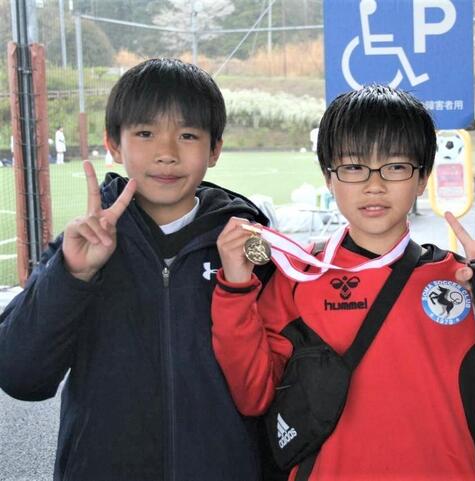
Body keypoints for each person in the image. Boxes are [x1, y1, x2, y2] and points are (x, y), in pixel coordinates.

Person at [210, 85, 475, 480]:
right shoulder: (299, 276)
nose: (374, 185)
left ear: (422, 179)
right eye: (354, 167)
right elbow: (253, 395)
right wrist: (235, 288)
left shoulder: (461, 280)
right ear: (328, 178)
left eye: (395, 167)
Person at [0, 58, 272, 481]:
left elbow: (273, 383)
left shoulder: (247, 246)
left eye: (187, 135)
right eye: (145, 133)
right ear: (113, 144)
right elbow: (20, 375)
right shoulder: (80, 249)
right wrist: (73, 275)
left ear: (214, 148)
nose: (166, 152)